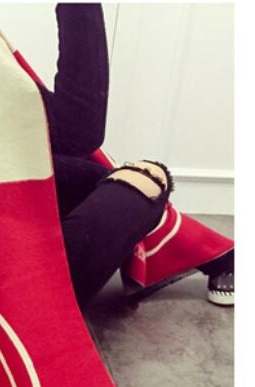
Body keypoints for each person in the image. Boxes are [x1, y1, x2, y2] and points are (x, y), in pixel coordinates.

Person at [40, 3, 234, 310]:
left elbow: (73, 135)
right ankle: (203, 248)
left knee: (129, 180)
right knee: (143, 180)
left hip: (13, 246)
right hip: (13, 281)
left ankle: (199, 246)